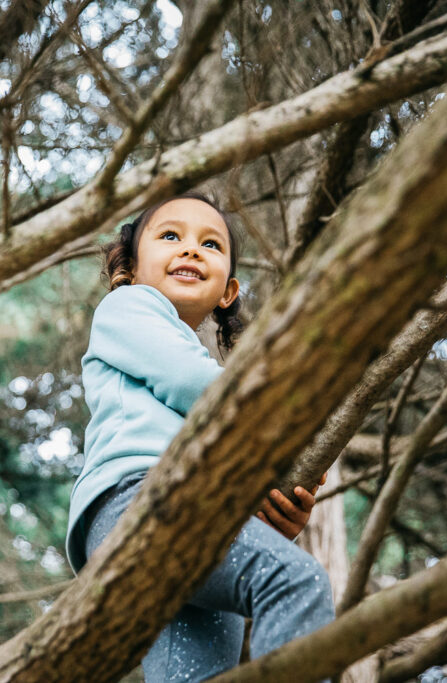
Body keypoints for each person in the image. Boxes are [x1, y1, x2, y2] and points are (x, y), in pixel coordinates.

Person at [66, 192, 334, 682]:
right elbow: (194, 386)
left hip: (177, 522)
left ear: (229, 291)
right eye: (170, 236)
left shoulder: (203, 368)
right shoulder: (128, 305)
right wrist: (286, 429)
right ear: (128, 267)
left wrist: (270, 513)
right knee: (295, 582)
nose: (190, 249)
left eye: (210, 244)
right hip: (141, 502)